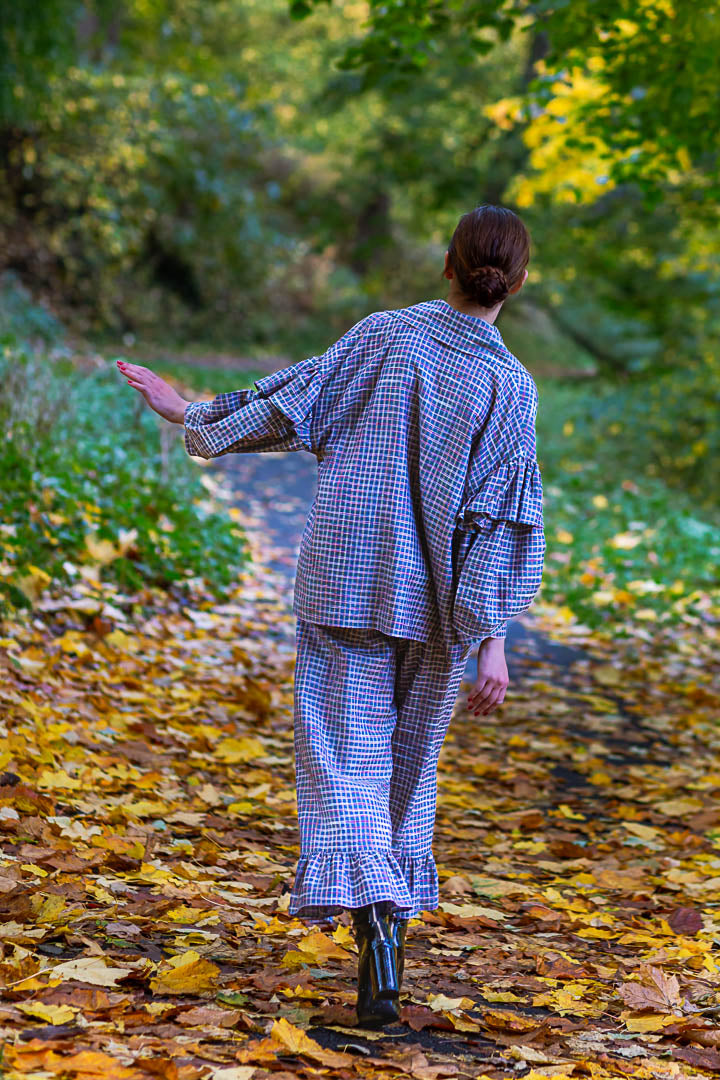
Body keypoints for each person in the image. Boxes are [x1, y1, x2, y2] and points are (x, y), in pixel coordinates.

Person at [117, 204, 545, 1028]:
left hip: (346, 583)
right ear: (517, 284)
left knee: (343, 762)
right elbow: (501, 520)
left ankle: (373, 911)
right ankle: (390, 924)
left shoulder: (385, 336)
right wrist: (492, 638)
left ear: (446, 266)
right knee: (408, 773)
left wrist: (188, 414)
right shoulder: (510, 387)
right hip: (443, 612)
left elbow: (293, 402)